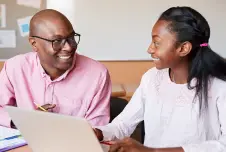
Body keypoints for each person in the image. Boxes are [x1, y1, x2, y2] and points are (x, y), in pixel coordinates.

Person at [94, 6, 226, 152]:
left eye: (157, 43)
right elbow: (123, 124)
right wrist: (98, 133)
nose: (149, 49)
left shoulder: (219, 86)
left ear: (183, 48)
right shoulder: (151, 78)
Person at [0, 9, 111, 128]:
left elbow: (98, 128)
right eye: (57, 41)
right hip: (26, 144)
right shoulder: (15, 67)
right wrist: (24, 121)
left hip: (74, 144)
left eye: (71, 37)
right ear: (34, 44)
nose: (68, 47)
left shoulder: (97, 74)